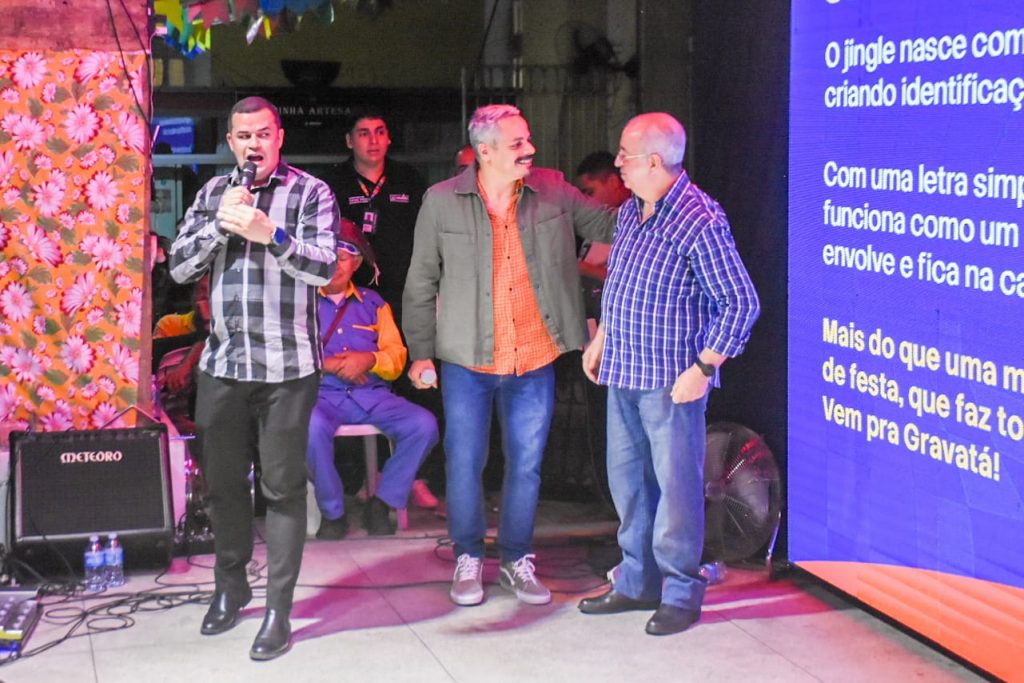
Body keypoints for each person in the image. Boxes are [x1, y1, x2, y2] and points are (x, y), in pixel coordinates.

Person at [403, 103, 616, 607]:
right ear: (485, 151)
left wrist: (658, 194)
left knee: (527, 465)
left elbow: (612, 225)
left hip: (534, 357)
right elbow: (421, 281)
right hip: (466, 360)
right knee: (464, 463)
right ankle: (468, 556)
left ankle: (517, 559)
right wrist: (421, 353)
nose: (530, 150)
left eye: (528, 139)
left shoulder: (554, 190)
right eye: (518, 143)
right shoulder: (441, 201)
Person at [168, 95, 339, 661]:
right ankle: (230, 586)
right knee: (221, 486)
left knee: (283, 489)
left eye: (263, 133)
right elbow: (179, 266)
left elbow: (325, 268)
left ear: (279, 137)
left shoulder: (311, 192)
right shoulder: (214, 193)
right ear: (231, 143)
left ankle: (278, 610)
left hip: (288, 367)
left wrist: (273, 235)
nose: (253, 144)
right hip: (223, 364)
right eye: (243, 136)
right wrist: (222, 227)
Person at [577, 113, 760, 636]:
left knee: (676, 492)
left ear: (655, 161)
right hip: (623, 370)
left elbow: (740, 302)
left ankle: (680, 591)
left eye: (625, 155)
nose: (617, 163)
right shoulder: (632, 210)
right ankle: (637, 581)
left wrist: (704, 367)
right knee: (629, 485)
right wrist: (602, 338)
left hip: (669, 381)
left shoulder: (700, 219)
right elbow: (621, 281)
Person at [306, 219, 439, 539]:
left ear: (355, 263)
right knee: (307, 427)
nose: (334, 265)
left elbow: (396, 358)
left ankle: (383, 502)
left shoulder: (375, 304)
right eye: (327, 257)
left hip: (373, 395)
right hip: (322, 396)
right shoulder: (301, 304)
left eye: (342, 258)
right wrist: (328, 364)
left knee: (424, 425)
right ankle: (333, 512)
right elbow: (286, 355)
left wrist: (370, 359)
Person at [324, 109, 426, 325]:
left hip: (404, 292)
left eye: (379, 132)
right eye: (364, 133)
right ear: (349, 141)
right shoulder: (331, 183)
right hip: (351, 292)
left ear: (388, 138)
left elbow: (428, 234)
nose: (373, 141)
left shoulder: (409, 178)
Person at [574, 151, 631, 318]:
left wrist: (584, 269)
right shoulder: (591, 223)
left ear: (613, 182)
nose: (584, 201)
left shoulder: (635, 223)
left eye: (589, 192)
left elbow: (636, 283)